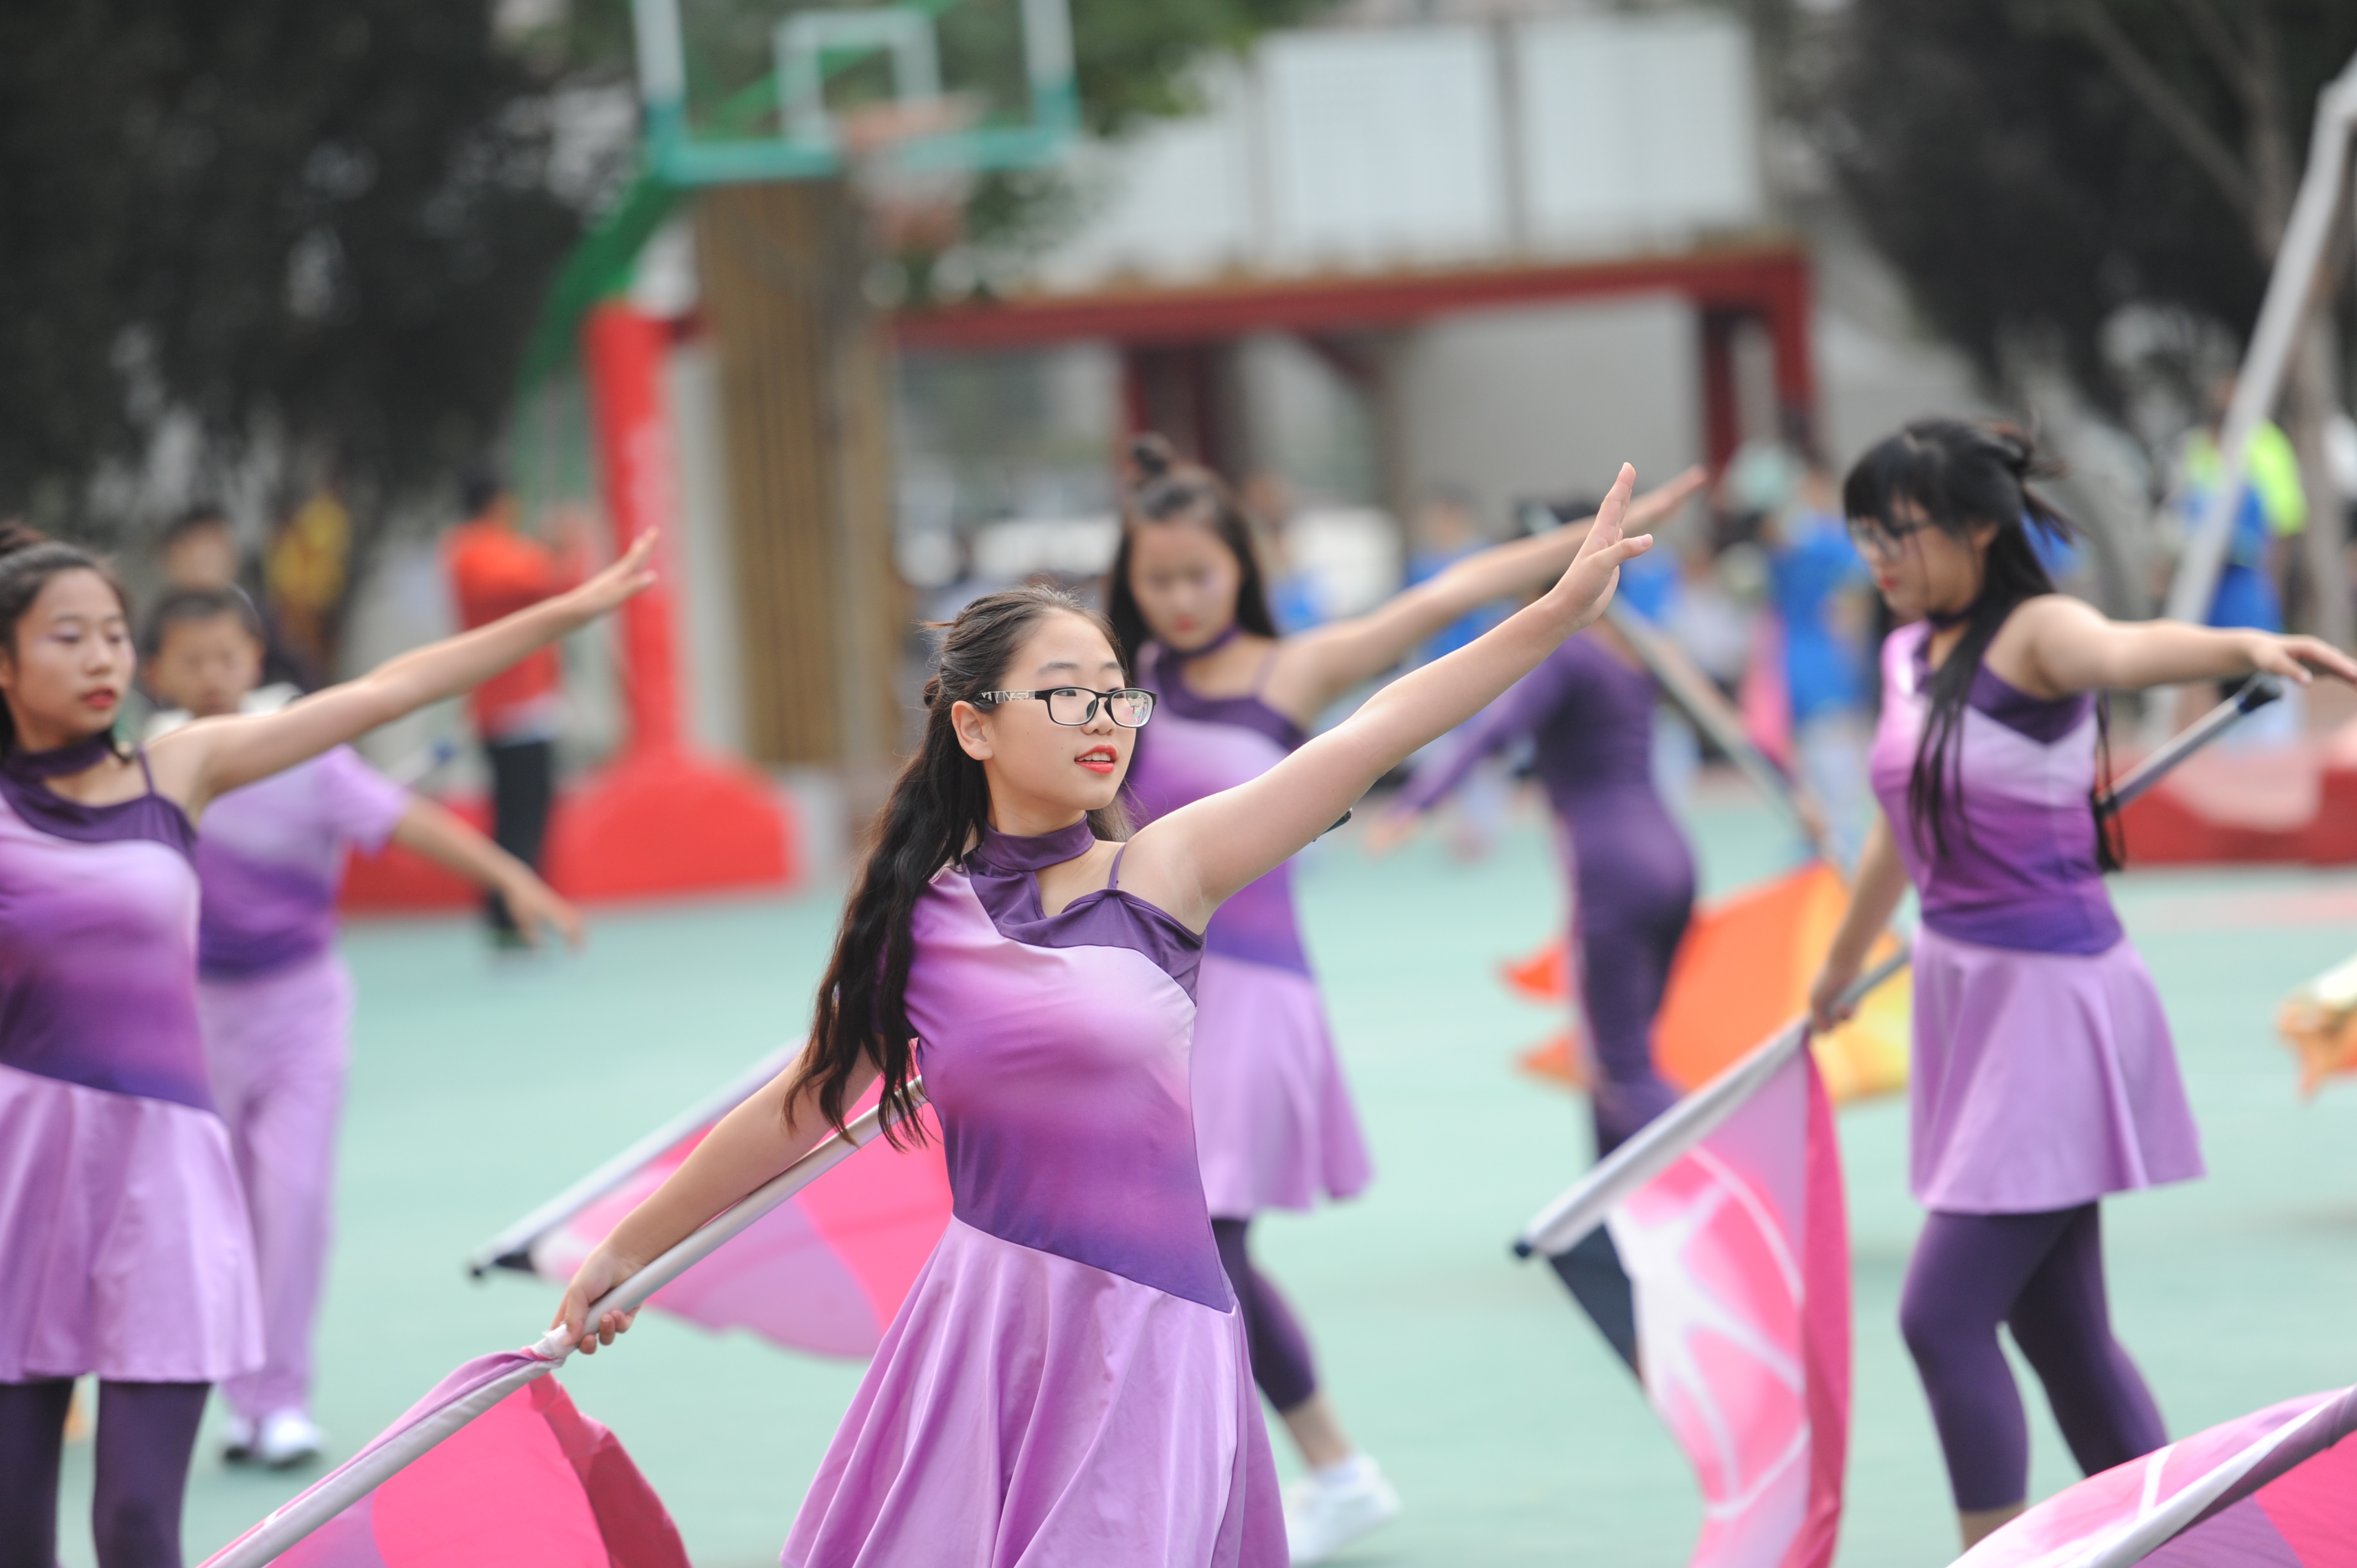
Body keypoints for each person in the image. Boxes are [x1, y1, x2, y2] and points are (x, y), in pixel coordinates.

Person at [552, 469, 1658, 1568]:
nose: (1105, 720)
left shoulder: (1168, 869)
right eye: (1065, 694)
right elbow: (804, 1102)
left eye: (1116, 693)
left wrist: (1554, 615)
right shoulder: (921, 917)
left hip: (1154, 1331)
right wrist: (629, 1245)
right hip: (990, 1330)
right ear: (975, 729)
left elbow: (1371, 732)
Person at [0, 519, 653, 1568]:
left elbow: (388, 691)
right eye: (66, 636)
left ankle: (276, 1400)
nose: (99, 659)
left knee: (132, 1523)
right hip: (22, 1173)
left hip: (160, 1177)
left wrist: (562, 615)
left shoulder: (181, 769)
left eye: (112, 634)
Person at [1105, 436, 1701, 1561]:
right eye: (1157, 579)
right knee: (1172, 1250)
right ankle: (1321, 1468)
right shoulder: (1119, 689)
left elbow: (1444, 597)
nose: (1182, 600)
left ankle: (1299, 1476)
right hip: (1149, 1000)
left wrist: (1577, 549)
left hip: (1254, 1002)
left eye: (1201, 574)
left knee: (1206, 1251)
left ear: (1239, 566)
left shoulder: (1291, 671)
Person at [1805, 420, 2356, 1551]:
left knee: (1939, 1318)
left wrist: (2239, 646)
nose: (1878, 558)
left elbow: (2124, 649)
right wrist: (1840, 962)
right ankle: (2192, 1544)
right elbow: (1895, 830)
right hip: (1967, 998)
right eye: (1864, 536)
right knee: (2062, 1336)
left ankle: (1992, 1552)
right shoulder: (1908, 654)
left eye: (1896, 533)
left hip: (2051, 1003)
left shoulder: (2035, 635)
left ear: (1975, 529)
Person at [141, 586, 585, 1470]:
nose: (211, 675)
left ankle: (282, 1398)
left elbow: (410, 821)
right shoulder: (148, 765)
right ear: (155, 672)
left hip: (302, 1007)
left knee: (294, 1200)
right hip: (192, 1018)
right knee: (215, 1214)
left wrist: (511, 878)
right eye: (189, 659)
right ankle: (243, 1396)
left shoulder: (307, 752)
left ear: (255, 657)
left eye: (227, 654)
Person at [442, 472, 578, 946]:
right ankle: (510, 921)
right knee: (520, 821)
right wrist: (556, 544)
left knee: (525, 818)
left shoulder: (497, 547)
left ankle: (517, 919)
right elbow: (540, 580)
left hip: (525, 705)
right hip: (510, 708)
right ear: (499, 501)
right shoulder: (476, 550)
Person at [156, 504, 315, 693]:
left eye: (219, 548)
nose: (211, 677)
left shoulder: (258, 614)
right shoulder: (161, 622)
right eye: (202, 554)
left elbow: (298, 669)